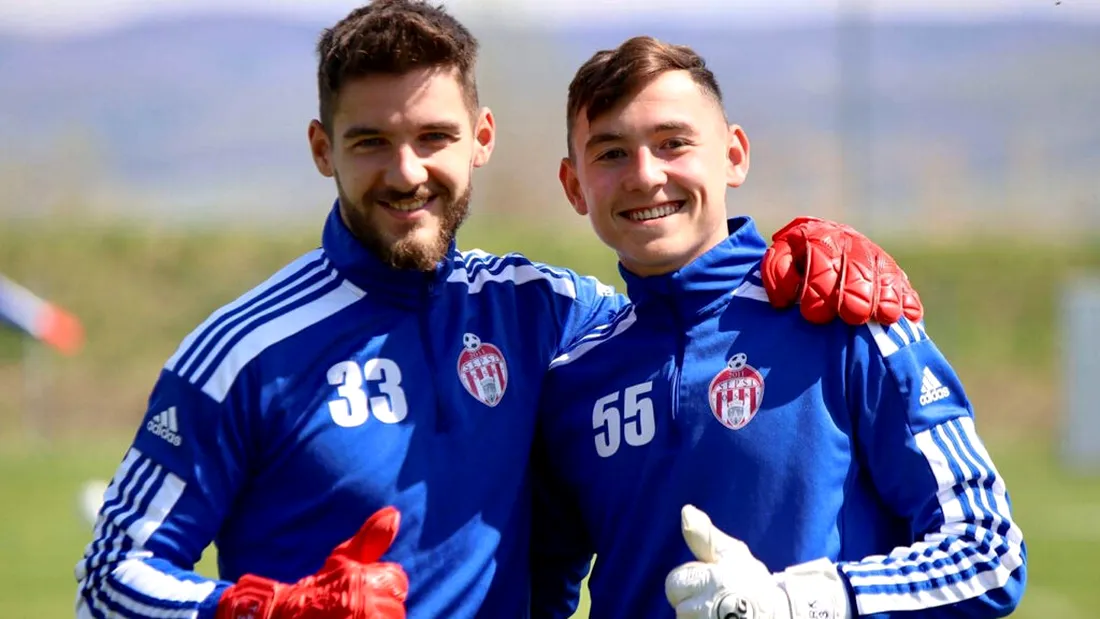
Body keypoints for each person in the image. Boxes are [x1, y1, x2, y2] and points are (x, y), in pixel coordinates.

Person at [73, 2, 925, 618]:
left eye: (434, 138)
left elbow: (677, 310)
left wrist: (805, 250)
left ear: (481, 138)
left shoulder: (546, 312)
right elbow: (112, 576)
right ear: (322, 148)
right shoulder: (241, 352)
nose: (407, 171)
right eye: (370, 141)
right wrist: (264, 609)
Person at [529, 36, 1025, 619]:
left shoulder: (842, 311)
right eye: (611, 153)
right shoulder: (570, 382)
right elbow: (534, 589)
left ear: (734, 155)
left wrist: (802, 602)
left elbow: (990, 554)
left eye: (673, 144)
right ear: (573, 185)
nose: (644, 175)